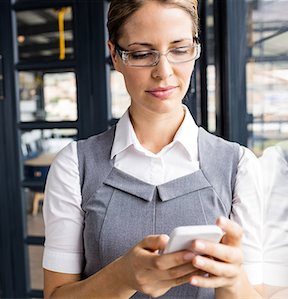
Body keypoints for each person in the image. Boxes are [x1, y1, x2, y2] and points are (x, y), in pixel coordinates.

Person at [42, 0, 264, 298]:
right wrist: (122, 277)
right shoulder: (74, 165)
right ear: (115, 56)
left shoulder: (239, 166)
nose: (164, 72)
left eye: (180, 49)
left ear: (195, 49)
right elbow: (56, 295)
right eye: (142, 53)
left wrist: (232, 280)